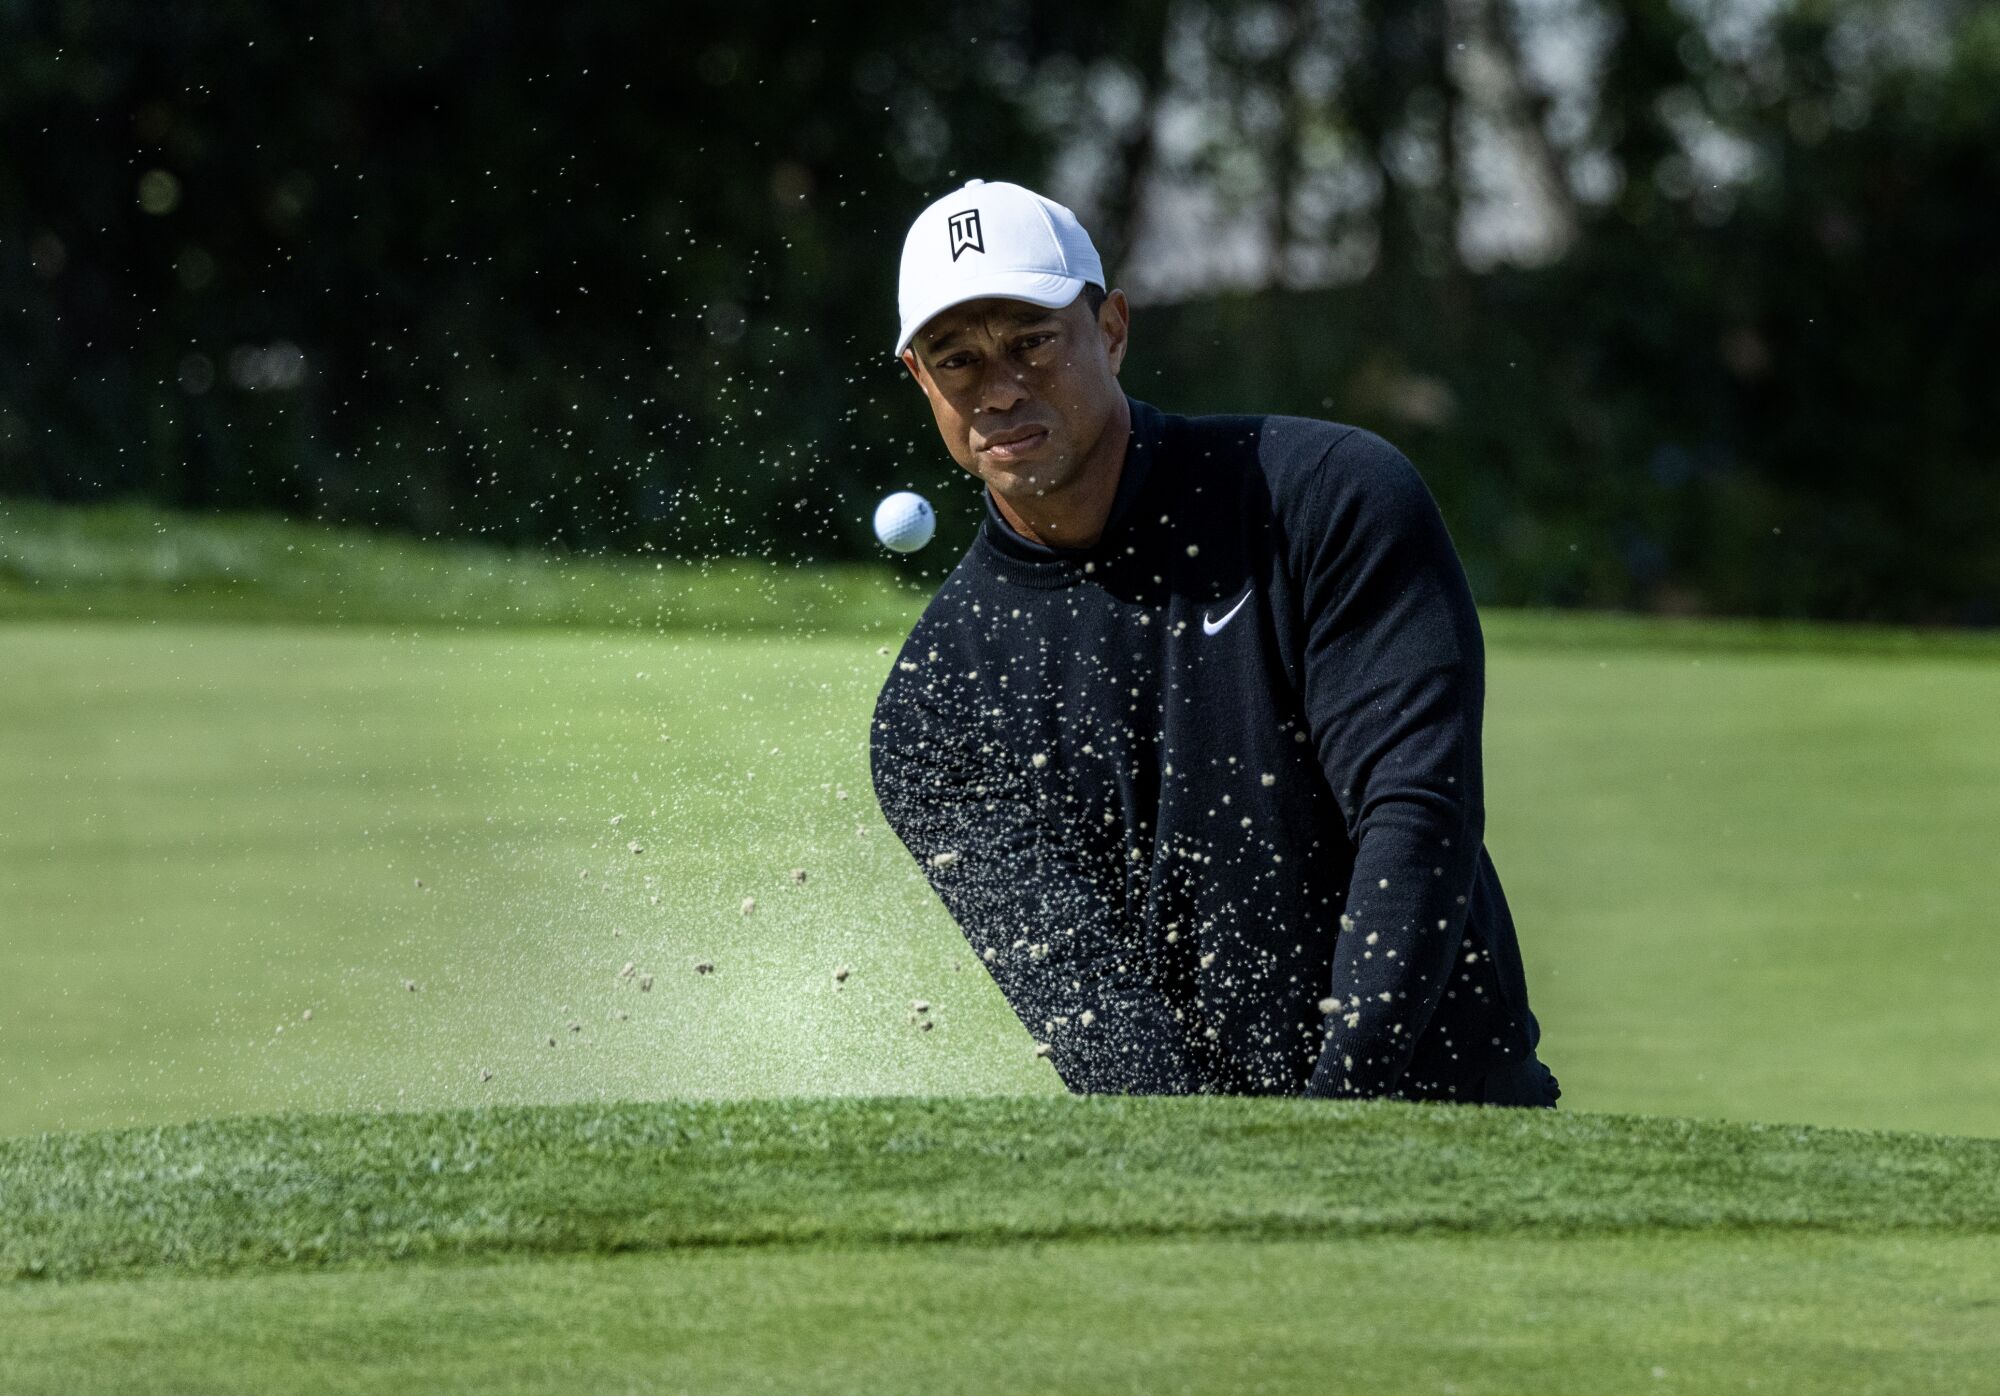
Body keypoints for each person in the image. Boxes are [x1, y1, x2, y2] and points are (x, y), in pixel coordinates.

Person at [869, 178, 1559, 1107]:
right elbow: (1089, 1007)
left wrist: (1337, 1119)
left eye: (1031, 340)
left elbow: (1415, 813)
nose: (997, 387)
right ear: (920, 378)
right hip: (1197, 1176)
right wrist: (1221, 1174)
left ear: (1111, 328)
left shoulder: (1322, 497)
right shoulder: (936, 700)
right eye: (956, 359)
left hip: (1453, 1117)